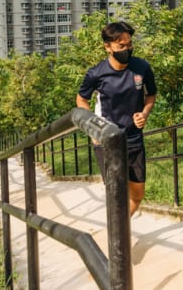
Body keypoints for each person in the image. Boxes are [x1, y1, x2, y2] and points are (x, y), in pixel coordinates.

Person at [77, 21, 157, 217]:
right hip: (108, 142)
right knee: (117, 194)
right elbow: (81, 100)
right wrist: (93, 129)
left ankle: (120, 228)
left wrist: (144, 114)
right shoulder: (96, 73)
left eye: (129, 44)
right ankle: (117, 241)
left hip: (134, 139)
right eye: (121, 46)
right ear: (108, 47)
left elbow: (151, 95)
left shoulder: (142, 67)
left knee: (137, 196)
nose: (126, 49)